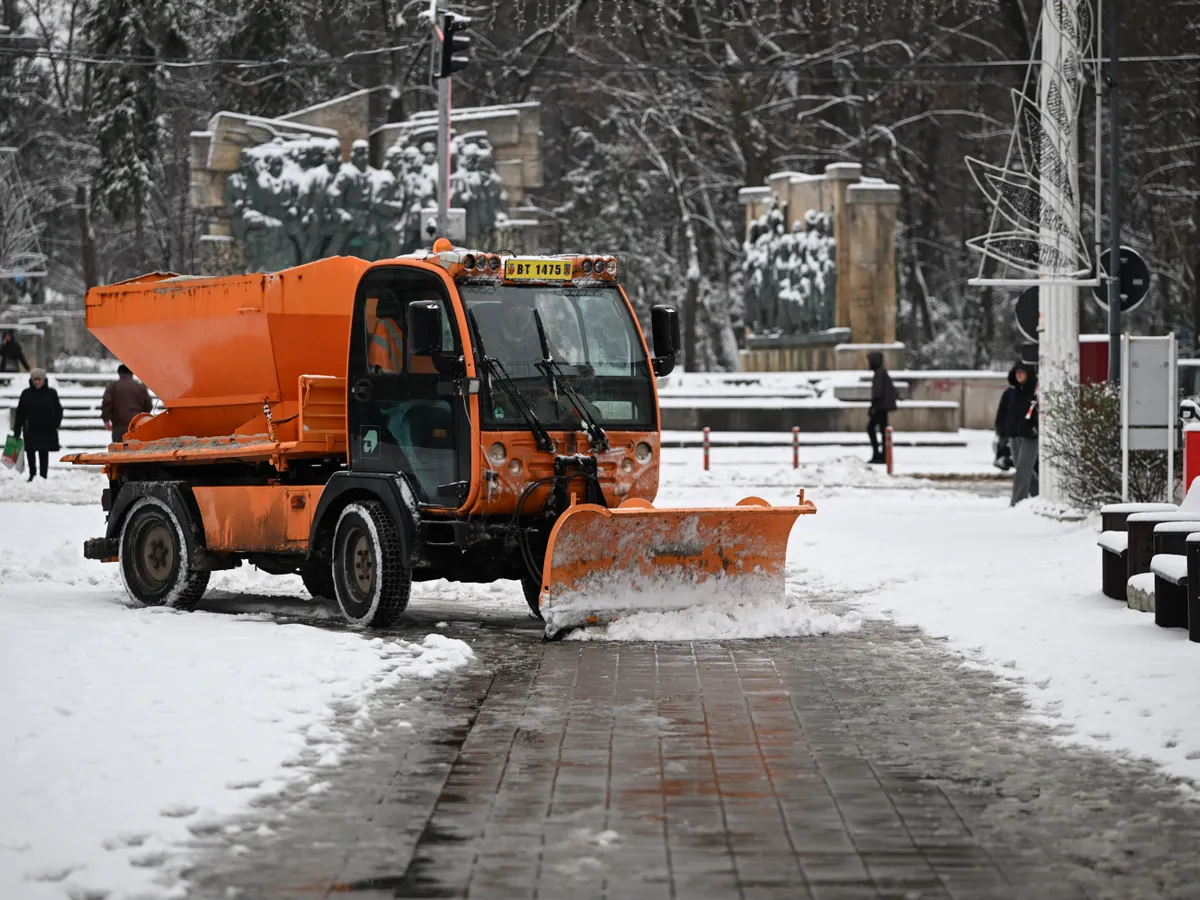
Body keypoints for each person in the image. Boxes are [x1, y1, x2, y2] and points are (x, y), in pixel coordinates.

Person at [996, 362, 1039, 506]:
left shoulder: (1035, 392)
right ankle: (1038, 494)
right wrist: (1002, 434)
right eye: (1017, 372)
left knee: (1023, 468)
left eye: (1022, 372)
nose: (1019, 375)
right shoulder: (1010, 393)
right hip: (1013, 435)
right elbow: (1002, 414)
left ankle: (1017, 501)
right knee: (1023, 468)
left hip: (1030, 435)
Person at [13, 368, 62, 481]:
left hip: (46, 429)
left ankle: (43, 475)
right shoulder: (26, 394)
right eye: (35, 379)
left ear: (44, 380)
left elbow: (58, 410)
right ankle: (32, 474)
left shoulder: (51, 393)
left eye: (39, 379)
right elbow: (20, 412)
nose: (37, 382)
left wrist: (55, 424)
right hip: (30, 428)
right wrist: (17, 430)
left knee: (43, 452)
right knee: (30, 452)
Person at [102, 364, 153, 444]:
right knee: (137, 450)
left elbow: (107, 403)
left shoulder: (113, 386)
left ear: (119, 373)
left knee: (119, 451)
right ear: (132, 373)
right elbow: (148, 405)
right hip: (137, 425)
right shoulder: (140, 387)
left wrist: (106, 419)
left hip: (119, 426)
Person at [866, 350, 898, 464]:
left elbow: (877, 393)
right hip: (882, 407)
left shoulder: (879, 374)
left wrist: (872, 407)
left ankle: (878, 454)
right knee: (883, 431)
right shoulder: (882, 372)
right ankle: (883, 454)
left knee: (871, 429)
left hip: (880, 407)